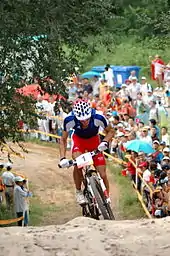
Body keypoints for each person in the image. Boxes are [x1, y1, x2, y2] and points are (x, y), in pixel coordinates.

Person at [59, 99, 114, 204]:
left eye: (87, 119)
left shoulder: (98, 116)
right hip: (79, 141)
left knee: (102, 174)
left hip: (94, 141)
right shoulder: (69, 119)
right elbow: (63, 139)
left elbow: (111, 131)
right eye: (81, 120)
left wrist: (105, 142)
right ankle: (79, 191)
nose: (85, 122)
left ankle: (106, 196)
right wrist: (62, 158)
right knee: (78, 163)